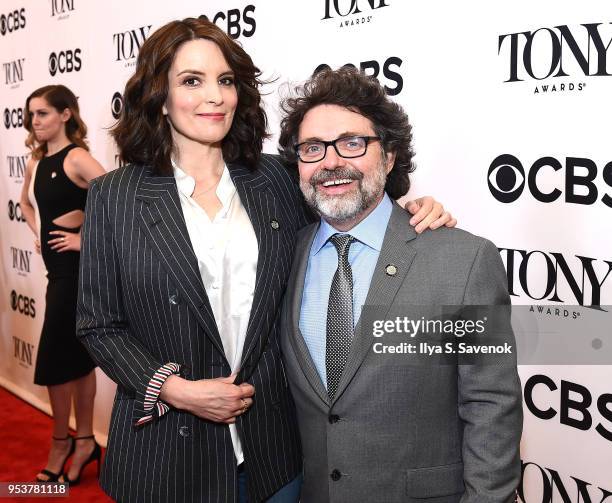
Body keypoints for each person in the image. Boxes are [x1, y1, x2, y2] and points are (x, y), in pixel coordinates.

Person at [76, 17, 456, 503]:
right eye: (192, 81)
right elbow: (98, 324)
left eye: (226, 80)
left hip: (275, 451)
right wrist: (172, 389)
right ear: (160, 97)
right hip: (165, 456)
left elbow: (349, 211)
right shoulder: (115, 196)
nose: (215, 96)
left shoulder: (275, 177)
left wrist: (412, 212)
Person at [278, 67, 523, 503]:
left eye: (352, 143)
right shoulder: (285, 255)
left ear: (389, 156)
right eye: (312, 148)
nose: (331, 162)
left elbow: (492, 408)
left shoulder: (463, 260)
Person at [19, 84, 106, 484]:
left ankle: (61, 441)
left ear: (66, 114)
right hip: (58, 273)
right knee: (75, 360)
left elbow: (117, 205)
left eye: (43, 114)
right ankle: (85, 439)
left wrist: (84, 238)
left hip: (78, 275)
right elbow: (25, 202)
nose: (35, 122)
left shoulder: (78, 158)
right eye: (32, 115)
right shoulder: (36, 163)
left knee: (56, 361)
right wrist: (39, 232)